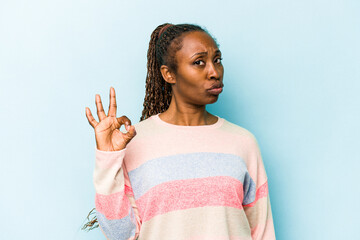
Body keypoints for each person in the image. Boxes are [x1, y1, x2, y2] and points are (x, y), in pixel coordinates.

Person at [84, 23, 276, 240]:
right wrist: (107, 158)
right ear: (168, 74)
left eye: (217, 60)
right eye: (199, 62)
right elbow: (120, 234)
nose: (214, 72)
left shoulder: (242, 142)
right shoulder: (134, 141)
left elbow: (262, 233)